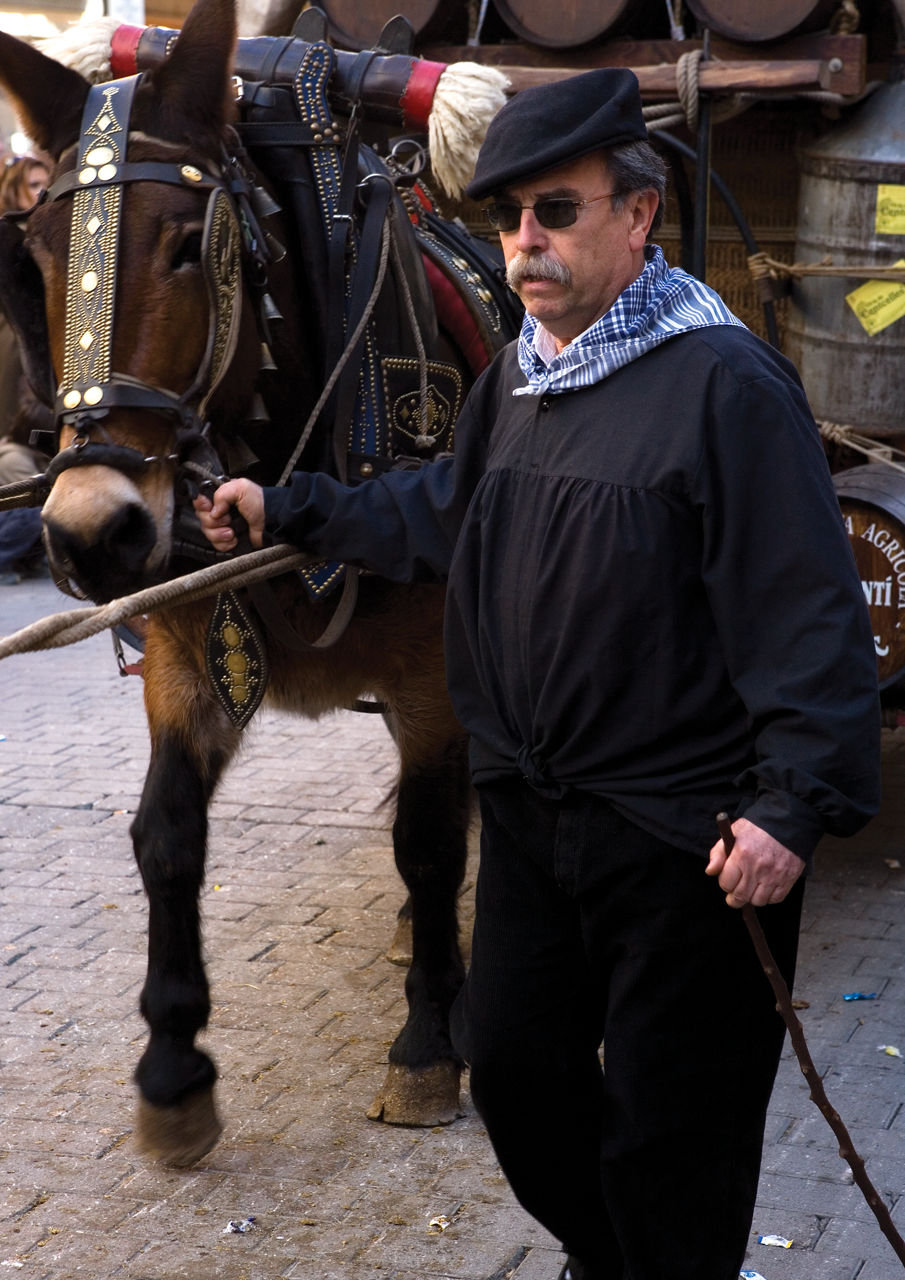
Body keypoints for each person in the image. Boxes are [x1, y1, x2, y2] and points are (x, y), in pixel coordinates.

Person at [195, 69, 881, 1280]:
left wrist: (791, 805)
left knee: (676, 1130)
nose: (524, 240)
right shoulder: (521, 375)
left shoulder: (724, 384)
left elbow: (806, 611)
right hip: (527, 814)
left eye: (555, 211)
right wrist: (290, 507)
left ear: (637, 212)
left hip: (682, 834)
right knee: (512, 1072)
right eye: (509, 216)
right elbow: (442, 508)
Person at [0, 152, 52, 585]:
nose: (43, 191)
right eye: (34, 185)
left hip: (40, 424)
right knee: (23, 486)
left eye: (46, 183)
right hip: (16, 433)